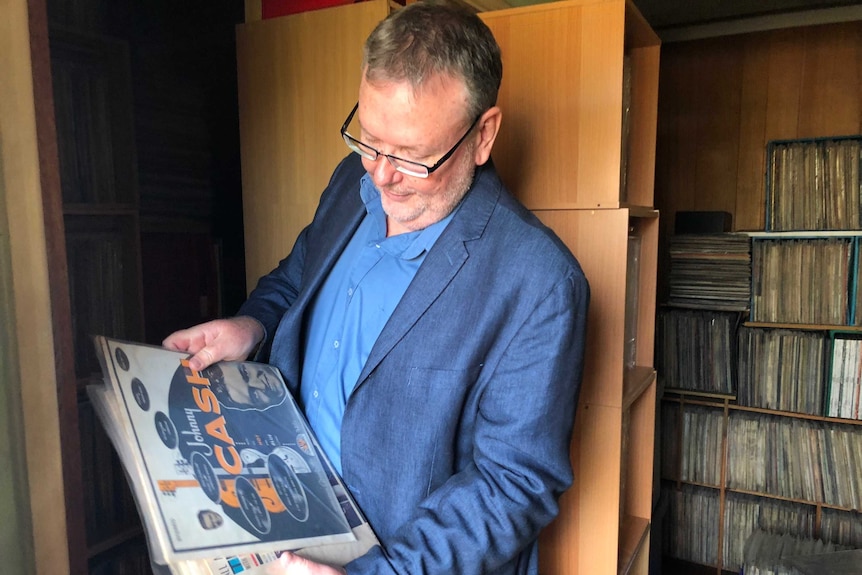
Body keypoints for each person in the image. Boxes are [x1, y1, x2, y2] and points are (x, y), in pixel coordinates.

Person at [163, 1, 589, 573]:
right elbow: (295, 278)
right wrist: (252, 324)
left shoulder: (540, 282)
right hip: (277, 508)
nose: (380, 173)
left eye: (411, 157)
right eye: (367, 138)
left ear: (483, 136)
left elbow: (511, 485)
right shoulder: (349, 183)